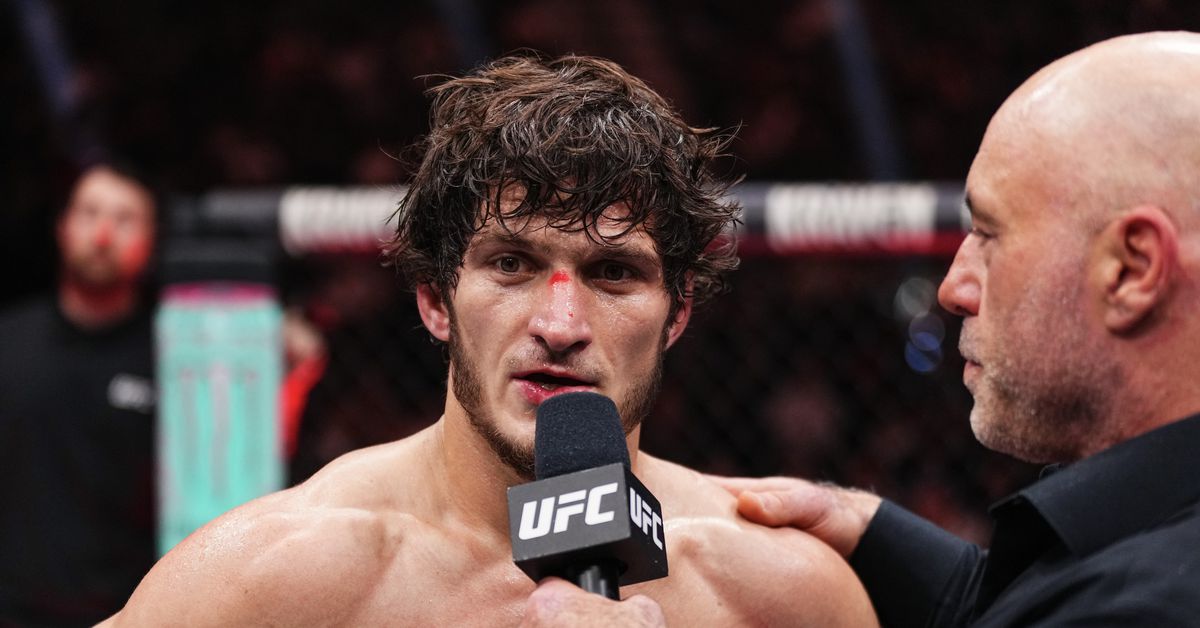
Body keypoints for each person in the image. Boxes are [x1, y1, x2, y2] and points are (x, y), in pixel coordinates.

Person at [101, 54, 877, 626]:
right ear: (435, 300)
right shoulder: (271, 580)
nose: (560, 327)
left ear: (677, 316)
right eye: (512, 264)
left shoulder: (776, 592)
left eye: (613, 273)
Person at [707, 31, 1200, 627]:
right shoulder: (1149, 536)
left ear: (1131, 270)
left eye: (989, 234)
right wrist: (864, 524)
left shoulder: (1141, 608)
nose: (953, 289)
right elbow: (1028, 601)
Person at [0, 162, 159, 626]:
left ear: (150, 241)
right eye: (89, 213)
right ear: (63, 227)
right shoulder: (8, 342)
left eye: (124, 219)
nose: (103, 235)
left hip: (126, 613)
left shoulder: (175, 359)